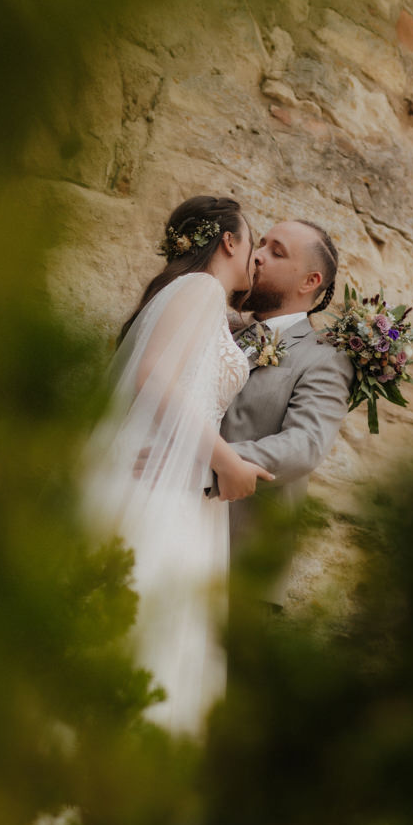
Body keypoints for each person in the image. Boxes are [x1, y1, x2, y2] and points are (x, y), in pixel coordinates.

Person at [80, 196, 273, 736]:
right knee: (146, 625)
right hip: (165, 487)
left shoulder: (188, 293)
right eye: (255, 242)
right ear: (229, 241)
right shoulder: (202, 289)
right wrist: (228, 461)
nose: (256, 258)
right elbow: (153, 380)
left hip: (181, 483)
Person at [221, 220, 355, 590]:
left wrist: (207, 458)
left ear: (309, 282)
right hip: (175, 535)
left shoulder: (323, 360)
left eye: (275, 252)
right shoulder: (222, 331)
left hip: (240, 562)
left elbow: (304, 445)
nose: (257, 256)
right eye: (260, 244)